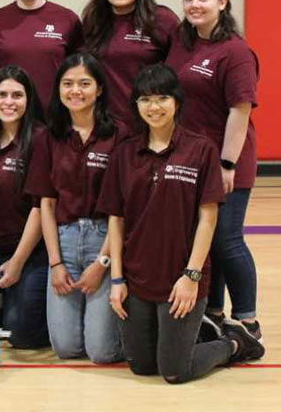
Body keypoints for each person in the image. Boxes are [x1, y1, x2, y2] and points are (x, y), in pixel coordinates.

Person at [99, 64, 264, 384]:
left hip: (182, 279)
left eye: (162, 98)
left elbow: (208, 217)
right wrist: (117, 279)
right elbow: (116, 221)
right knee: (142, 366)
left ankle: (232, 343)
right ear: (136, 105)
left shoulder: (200, 149)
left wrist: (191, 275)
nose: (154, 106)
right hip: (137, 279)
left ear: (177, 101)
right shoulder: (124, 153)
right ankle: (196, 330)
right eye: (145, 99)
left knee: (175, 370)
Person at [165, 0, 263, 346]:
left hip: (227, 161)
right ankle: (215, 313)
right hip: (192, 159)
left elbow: (240, 110)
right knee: (203, 239)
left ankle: (248, 320)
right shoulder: (182, 42)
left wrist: (227, 164)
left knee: (227, 239)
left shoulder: (235, 51)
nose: (195, 5)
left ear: (222, 2)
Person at [26, 52, 126, 363]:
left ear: (99, 89)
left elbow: (121, 209)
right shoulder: (48, 136)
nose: (75, 91)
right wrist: (56, 264)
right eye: (67, 83)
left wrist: (103, 262)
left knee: (102, 352)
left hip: (105, 238)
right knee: (66, 349)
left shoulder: (119, 135)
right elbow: (46, 202)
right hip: (64, 240)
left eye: (85, 83)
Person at [0, 65, 50, 349]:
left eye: (17, 95)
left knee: (20, 336)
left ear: (29, 100)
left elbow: (40, 208)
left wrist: (17, 262)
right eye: (2, 94)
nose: (9, 102)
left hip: (30, 254)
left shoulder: (41, 139)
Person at [80, 0, 178, 123]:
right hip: (105, 126)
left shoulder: (162, 20)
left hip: (150, 124)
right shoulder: (92, 21)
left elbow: (179, 76)